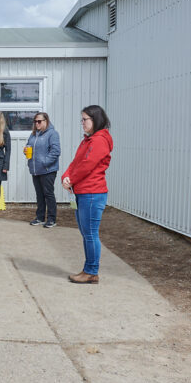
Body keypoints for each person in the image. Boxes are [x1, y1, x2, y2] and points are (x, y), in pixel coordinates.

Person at [62, 105, 113, 284]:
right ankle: (89, 270)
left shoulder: (99, 141)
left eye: (85, 119)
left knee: (90, 234)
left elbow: (87, 165)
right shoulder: (88, 141)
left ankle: (91, 271)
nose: (82, 123)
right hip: (83, 192)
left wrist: (72, 179)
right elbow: (76, 162)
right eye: (81, 119)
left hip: (92, 193)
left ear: (95, 120)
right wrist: (66, 177)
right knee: (86, 233)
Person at [25, 112, 62, 228]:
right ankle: (40, 217)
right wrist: (26, 151)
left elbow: (56, 151)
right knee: (39, 194)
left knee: (48, 194)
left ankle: (51, 219)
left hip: (47, 170)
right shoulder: (33, 134)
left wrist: (45, 162)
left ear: (46, 121)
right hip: (35, 169)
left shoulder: (52, 134)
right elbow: (28, 146)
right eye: (35, 121)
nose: (37, 123)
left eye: (39, 121)